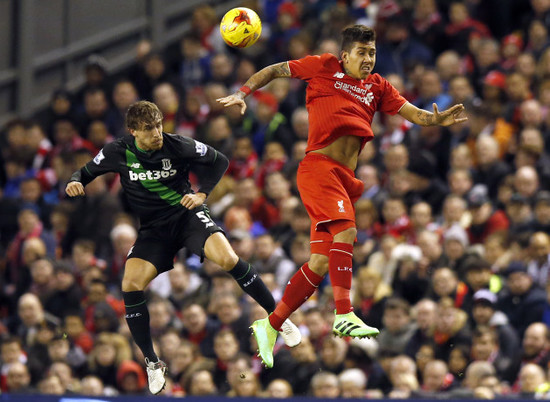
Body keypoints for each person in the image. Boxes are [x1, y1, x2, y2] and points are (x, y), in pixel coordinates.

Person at [218, 24, 467, 369]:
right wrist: (243, 92)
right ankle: (344, 313)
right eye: (362, 53)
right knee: (347, 232)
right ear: (345, 55)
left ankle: (270, 324)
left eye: (373, 53)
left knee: (320, 263)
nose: (369, 59)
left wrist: (435, 120)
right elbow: (276, 70)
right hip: (319, 168)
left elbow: (415, 114)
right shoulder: (323, 67)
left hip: (344, 177)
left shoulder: (378, 86)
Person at [65, 100, 300, 394]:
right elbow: (84, 172)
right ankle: (152, 363)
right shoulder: (117, 151)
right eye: (149, 129)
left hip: (187, 217)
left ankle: (280, 319)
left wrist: (202, 193)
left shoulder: (178, 144)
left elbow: (220, 161)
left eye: (159, 125)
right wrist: (75, 182)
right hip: (154, 230)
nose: (157, 133)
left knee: (228, 258)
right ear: (133, 131)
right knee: (130, 284)